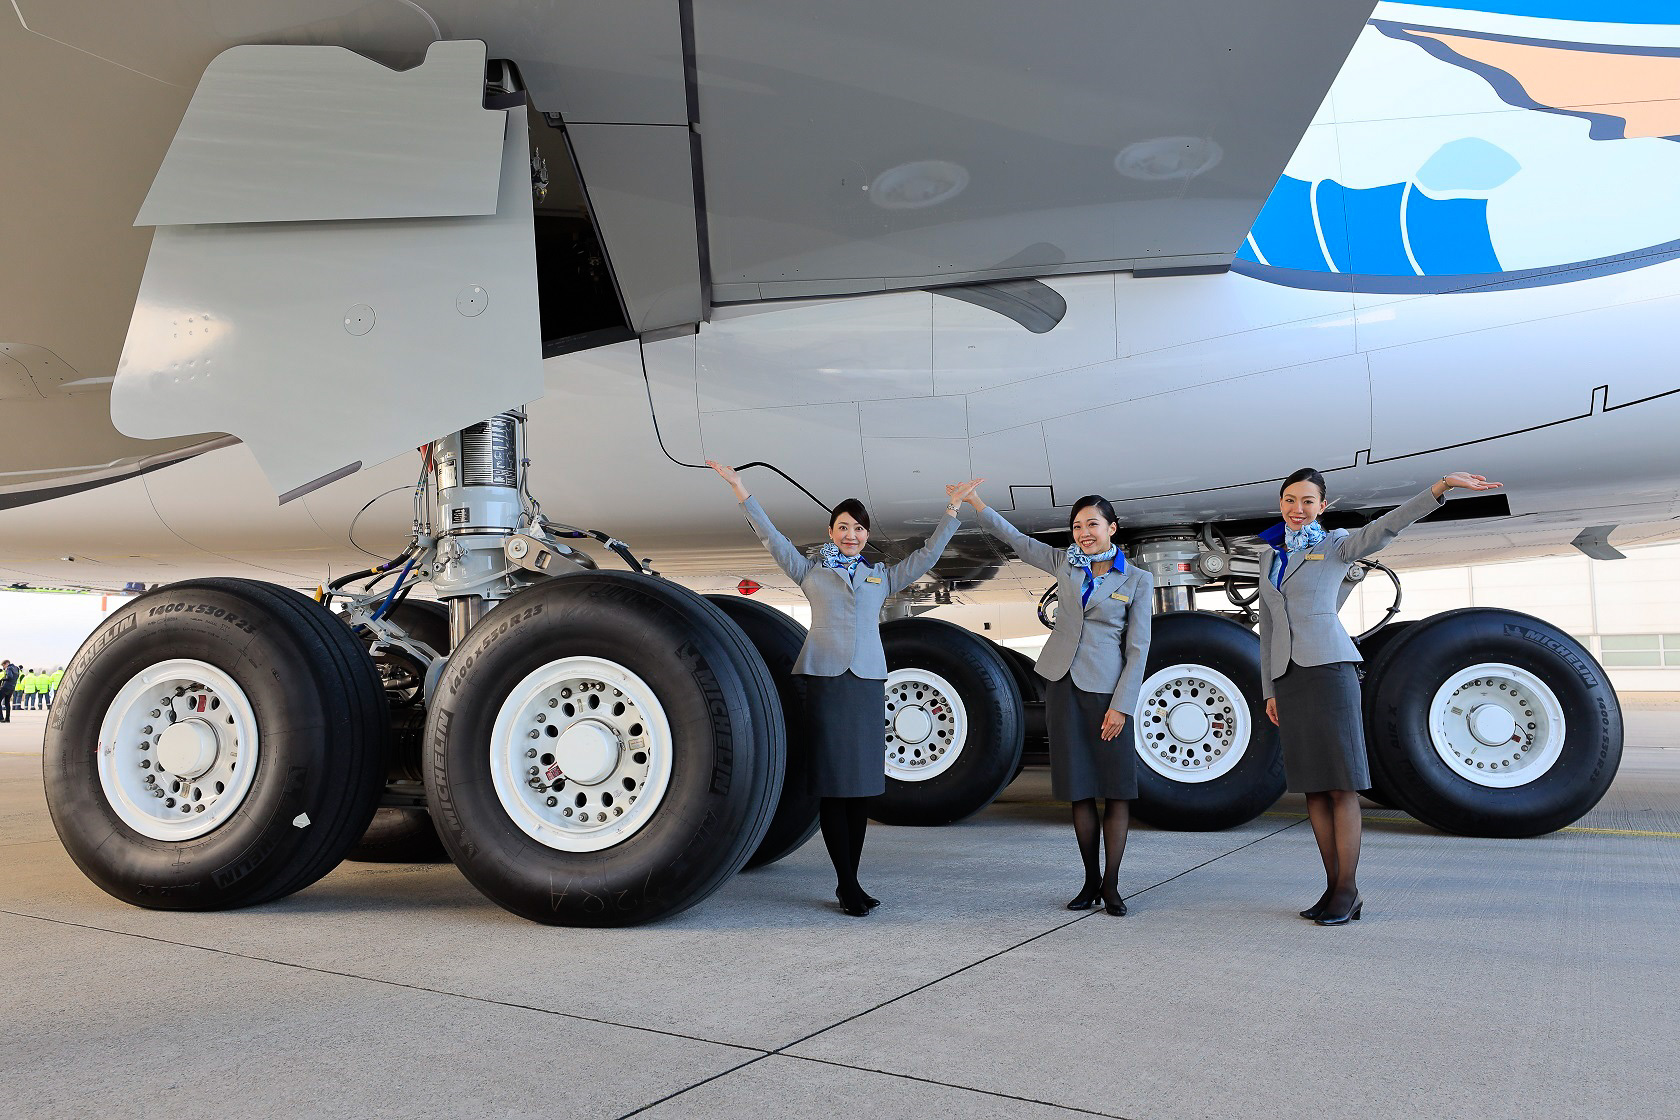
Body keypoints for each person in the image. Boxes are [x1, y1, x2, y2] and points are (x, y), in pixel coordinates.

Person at [710, 460, 979, 917]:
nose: (850, 534)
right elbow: (771, 539)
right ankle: (846, 883)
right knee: (836, 787)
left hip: (867, 685)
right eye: (842, 527)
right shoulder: (811, 572)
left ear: (866, 534)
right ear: (831, 531)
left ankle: (854, 879)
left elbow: (926, 558)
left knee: (861, 788)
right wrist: (741, 490)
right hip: (829, 685)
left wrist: (952, 509)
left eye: (857, 528)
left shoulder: (880, 576)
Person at [1257, 468, 1502, 926]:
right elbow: (1267, 628)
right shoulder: (1270, 557)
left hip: (1329, 670)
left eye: (1308, 501)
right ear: (1281, 503)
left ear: (1322, 507)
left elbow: (1387, 526)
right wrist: (1269, 688)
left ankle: (1347, 890)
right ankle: (1331, 888)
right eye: (1290, 499)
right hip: (1289, 678)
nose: (1297, 508)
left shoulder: (1336, 545)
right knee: (1313, 784)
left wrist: (1440, 489)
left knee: (1341, 782)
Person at [959, 486, 1153, 916]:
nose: (1084, 532)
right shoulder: (1066, 563)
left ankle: (1112, 886)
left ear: (1112, 528)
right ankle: (1088, 882)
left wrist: (1122, 706)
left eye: (1093, 525)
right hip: (1062, 685)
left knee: (1116, 792)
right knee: (1078, 789)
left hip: (1107, 693)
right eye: (1078, 525)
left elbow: (1138, 648)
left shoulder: (1138, 580)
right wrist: (977, 506)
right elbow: (1018, 541)